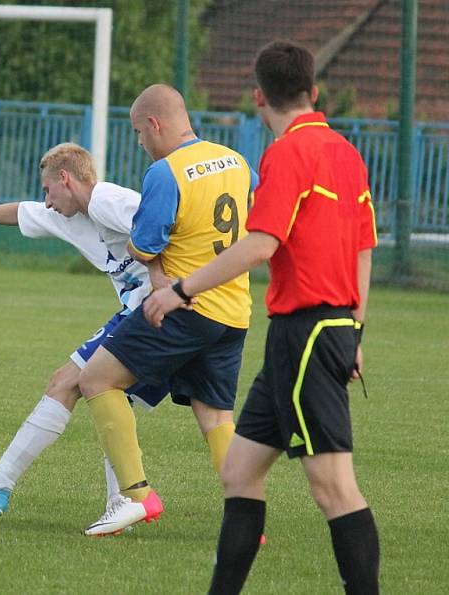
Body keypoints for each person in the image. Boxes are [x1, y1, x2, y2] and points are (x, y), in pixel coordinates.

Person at [143, 41, 379, 594]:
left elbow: (262, 243)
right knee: (240, 472)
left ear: (258, 97)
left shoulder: (288, 153)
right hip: (319, 330)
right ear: (314, 91)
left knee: (334, 488)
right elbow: (364, 249)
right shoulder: (345, 151)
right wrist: (355, 329)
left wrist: (180, 287)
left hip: (306, 331)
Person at [0, 142, 172, 522]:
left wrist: (170, 288)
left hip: (157, 313)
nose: (47, 201)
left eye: (47, 189)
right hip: (153, 314)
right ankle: (123, 502)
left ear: (65, 178)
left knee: (67, 382)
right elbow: (22, 212)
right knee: (110, 401)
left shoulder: (108, 200)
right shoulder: (68, 215)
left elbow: (163, 229)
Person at [77, 83, 256, 536]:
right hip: (233, 311)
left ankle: (136, 497)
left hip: (183, 307)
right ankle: (248, 518)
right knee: (215, 417)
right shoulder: (237, 162)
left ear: (155, 124)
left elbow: (142, 246)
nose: (140, 142)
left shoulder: (166, 171)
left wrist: (157, 261)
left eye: (139, 132)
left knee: (96, 379)